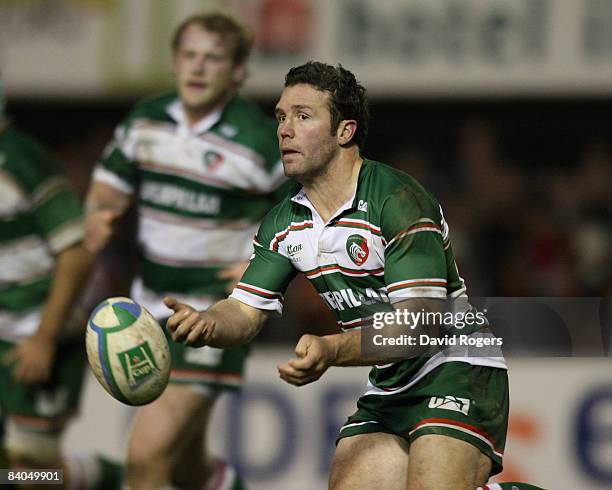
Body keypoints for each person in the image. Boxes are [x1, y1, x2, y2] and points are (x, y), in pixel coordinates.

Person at [165, 61, 510, 490]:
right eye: (281, 117)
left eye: (303, 116)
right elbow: (243, 310)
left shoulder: (397, 200)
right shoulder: (284, 222)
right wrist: (208, 322)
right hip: (392, 381)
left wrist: (333, 348)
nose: (284, 130)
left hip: (458, 365)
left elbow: (423, 324)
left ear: (344, 132)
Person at [84, 12, 289, 490]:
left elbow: (302, 216)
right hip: (145, 312)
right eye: (190, 56)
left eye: (213, 58)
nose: (198, 68)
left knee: (146, 458)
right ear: (175, 63)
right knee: (185, 468)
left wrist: (262, 263)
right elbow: (108, 189)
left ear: (237, 72)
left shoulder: (261, 142)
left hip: (211, 315)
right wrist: (97, 213)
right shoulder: (146, 121)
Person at [0, 88, 121, 488]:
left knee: (31, 472)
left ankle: (118, 479)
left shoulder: (22, 161)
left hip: (38, 333)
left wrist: (44, 339)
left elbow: (77, 253)